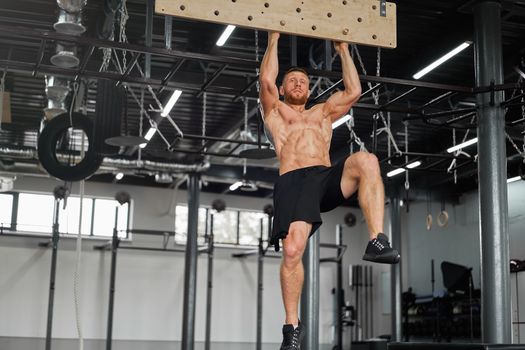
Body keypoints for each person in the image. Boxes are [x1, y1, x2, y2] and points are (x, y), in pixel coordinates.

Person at [258, 31, 400, 350]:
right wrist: (273, 37)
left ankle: (377, 239)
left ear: (309, 89)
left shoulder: (323, 112)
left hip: (324, 176)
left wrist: (344, 49)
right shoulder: (275, 110)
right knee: (293, 250)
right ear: (282, 88)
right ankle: (291, 326)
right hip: (294, 180)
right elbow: (265, 81)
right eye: (291, 80)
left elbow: (354, 90)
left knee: (366, 160)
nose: (298, 83)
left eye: (303, 81)